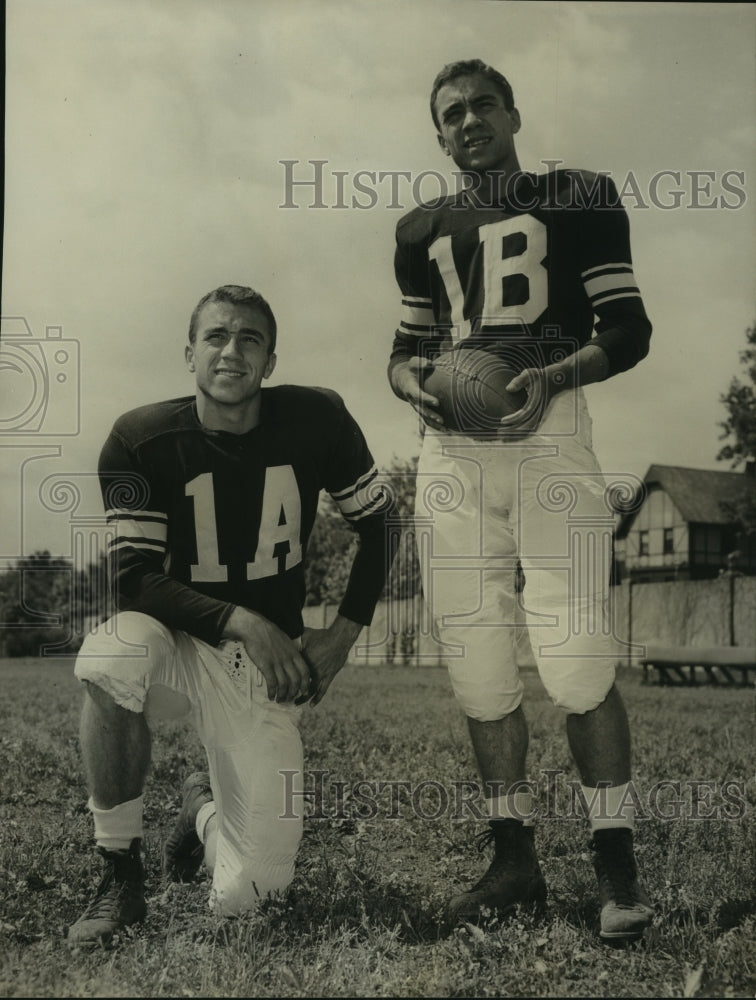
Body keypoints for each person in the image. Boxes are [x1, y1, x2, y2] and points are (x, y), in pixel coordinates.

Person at [388, 59, 654, 940]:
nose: (469, 121)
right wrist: (411, 386)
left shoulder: (577, 195)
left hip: (549, 432)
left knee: (577, 657)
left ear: (512, 114)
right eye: (452, 113)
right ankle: (514, 859)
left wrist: (547, 377)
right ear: (439, 134)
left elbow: (628, 329)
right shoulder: (419, 226)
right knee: (476, 662)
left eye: (483, 106)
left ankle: (615, 863)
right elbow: (406, 348)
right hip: (454, 449)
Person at [68, 284, 392, 946]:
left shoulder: (317, 418)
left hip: (255, 668)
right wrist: (243, 618)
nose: (232, 351)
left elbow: (382, 521)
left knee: (252, 895)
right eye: (216, 336)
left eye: (250, 339)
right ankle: (120, 871)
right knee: (109, 657)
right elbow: (135, 579)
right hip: (172, 640)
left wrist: (344, 633)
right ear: (190, 352)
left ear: (271, 361)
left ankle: (203, 815)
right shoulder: (140, 438)